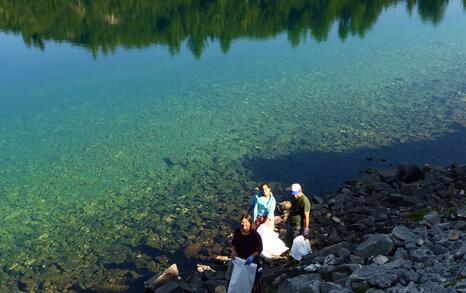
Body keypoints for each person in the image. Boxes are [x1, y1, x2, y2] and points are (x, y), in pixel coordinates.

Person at [231, 214, 263, 293]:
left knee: (251, 279)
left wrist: (252, 257)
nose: (244, 225)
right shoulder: (237, 232)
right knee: (238, 277)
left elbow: (259, 249)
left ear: (250, 223)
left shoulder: (255, 235)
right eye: (242, 223)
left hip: (250, 260)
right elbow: (233, 243)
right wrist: (233, 251)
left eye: (246, 223)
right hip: (239, 259)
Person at [286, 183, 312, 247]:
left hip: (298, 225)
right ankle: (288, 249)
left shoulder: (305, 202)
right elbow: (293, 208)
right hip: (291, 221)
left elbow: (306, 217)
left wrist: (306, 231)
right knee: (289, 239)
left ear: (301, 191)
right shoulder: (294, 196)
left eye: (296, 194)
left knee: (296, 241)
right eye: (293, 194)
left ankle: (295, 254)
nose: (295, 196)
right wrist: (287, 220)